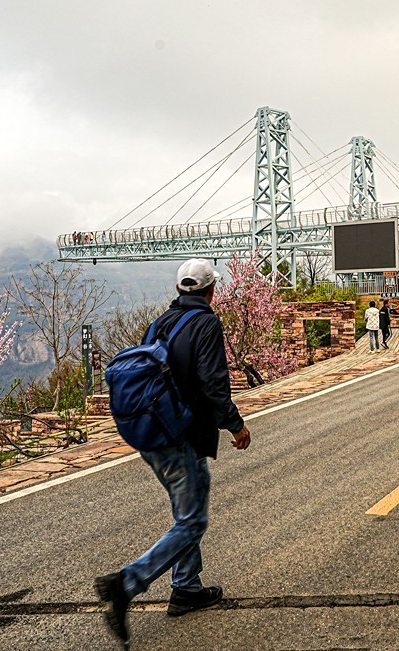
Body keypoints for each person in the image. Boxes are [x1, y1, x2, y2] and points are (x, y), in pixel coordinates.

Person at [95, 258, 251, 647]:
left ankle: (186, 588)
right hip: (180, 435)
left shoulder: (161, 322)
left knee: (188, 509)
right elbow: (214, 383)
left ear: (180, 289)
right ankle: (126, 583)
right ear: (212, 290)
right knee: (193, 522)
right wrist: (236, 425)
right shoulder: (206, 323)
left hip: (153, 434)